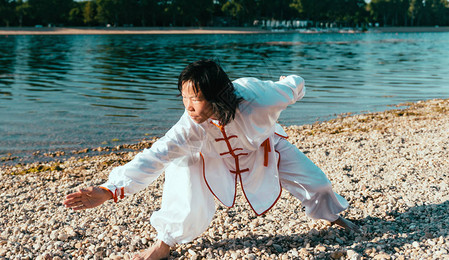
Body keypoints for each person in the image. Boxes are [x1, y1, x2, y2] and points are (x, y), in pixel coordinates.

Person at [64, 59, 359, 260]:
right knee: (184, 165)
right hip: (212, 158)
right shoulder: (189, 128)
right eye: (184, 97)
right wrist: (108, 190)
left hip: (264, 146)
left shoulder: (261, 97)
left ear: (217, 96)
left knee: (317, 182)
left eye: (196, 98)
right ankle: (164, 243)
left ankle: (331, 214)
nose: (188, 106)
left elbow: (294, 85)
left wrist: (288, 84)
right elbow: (154, 156)